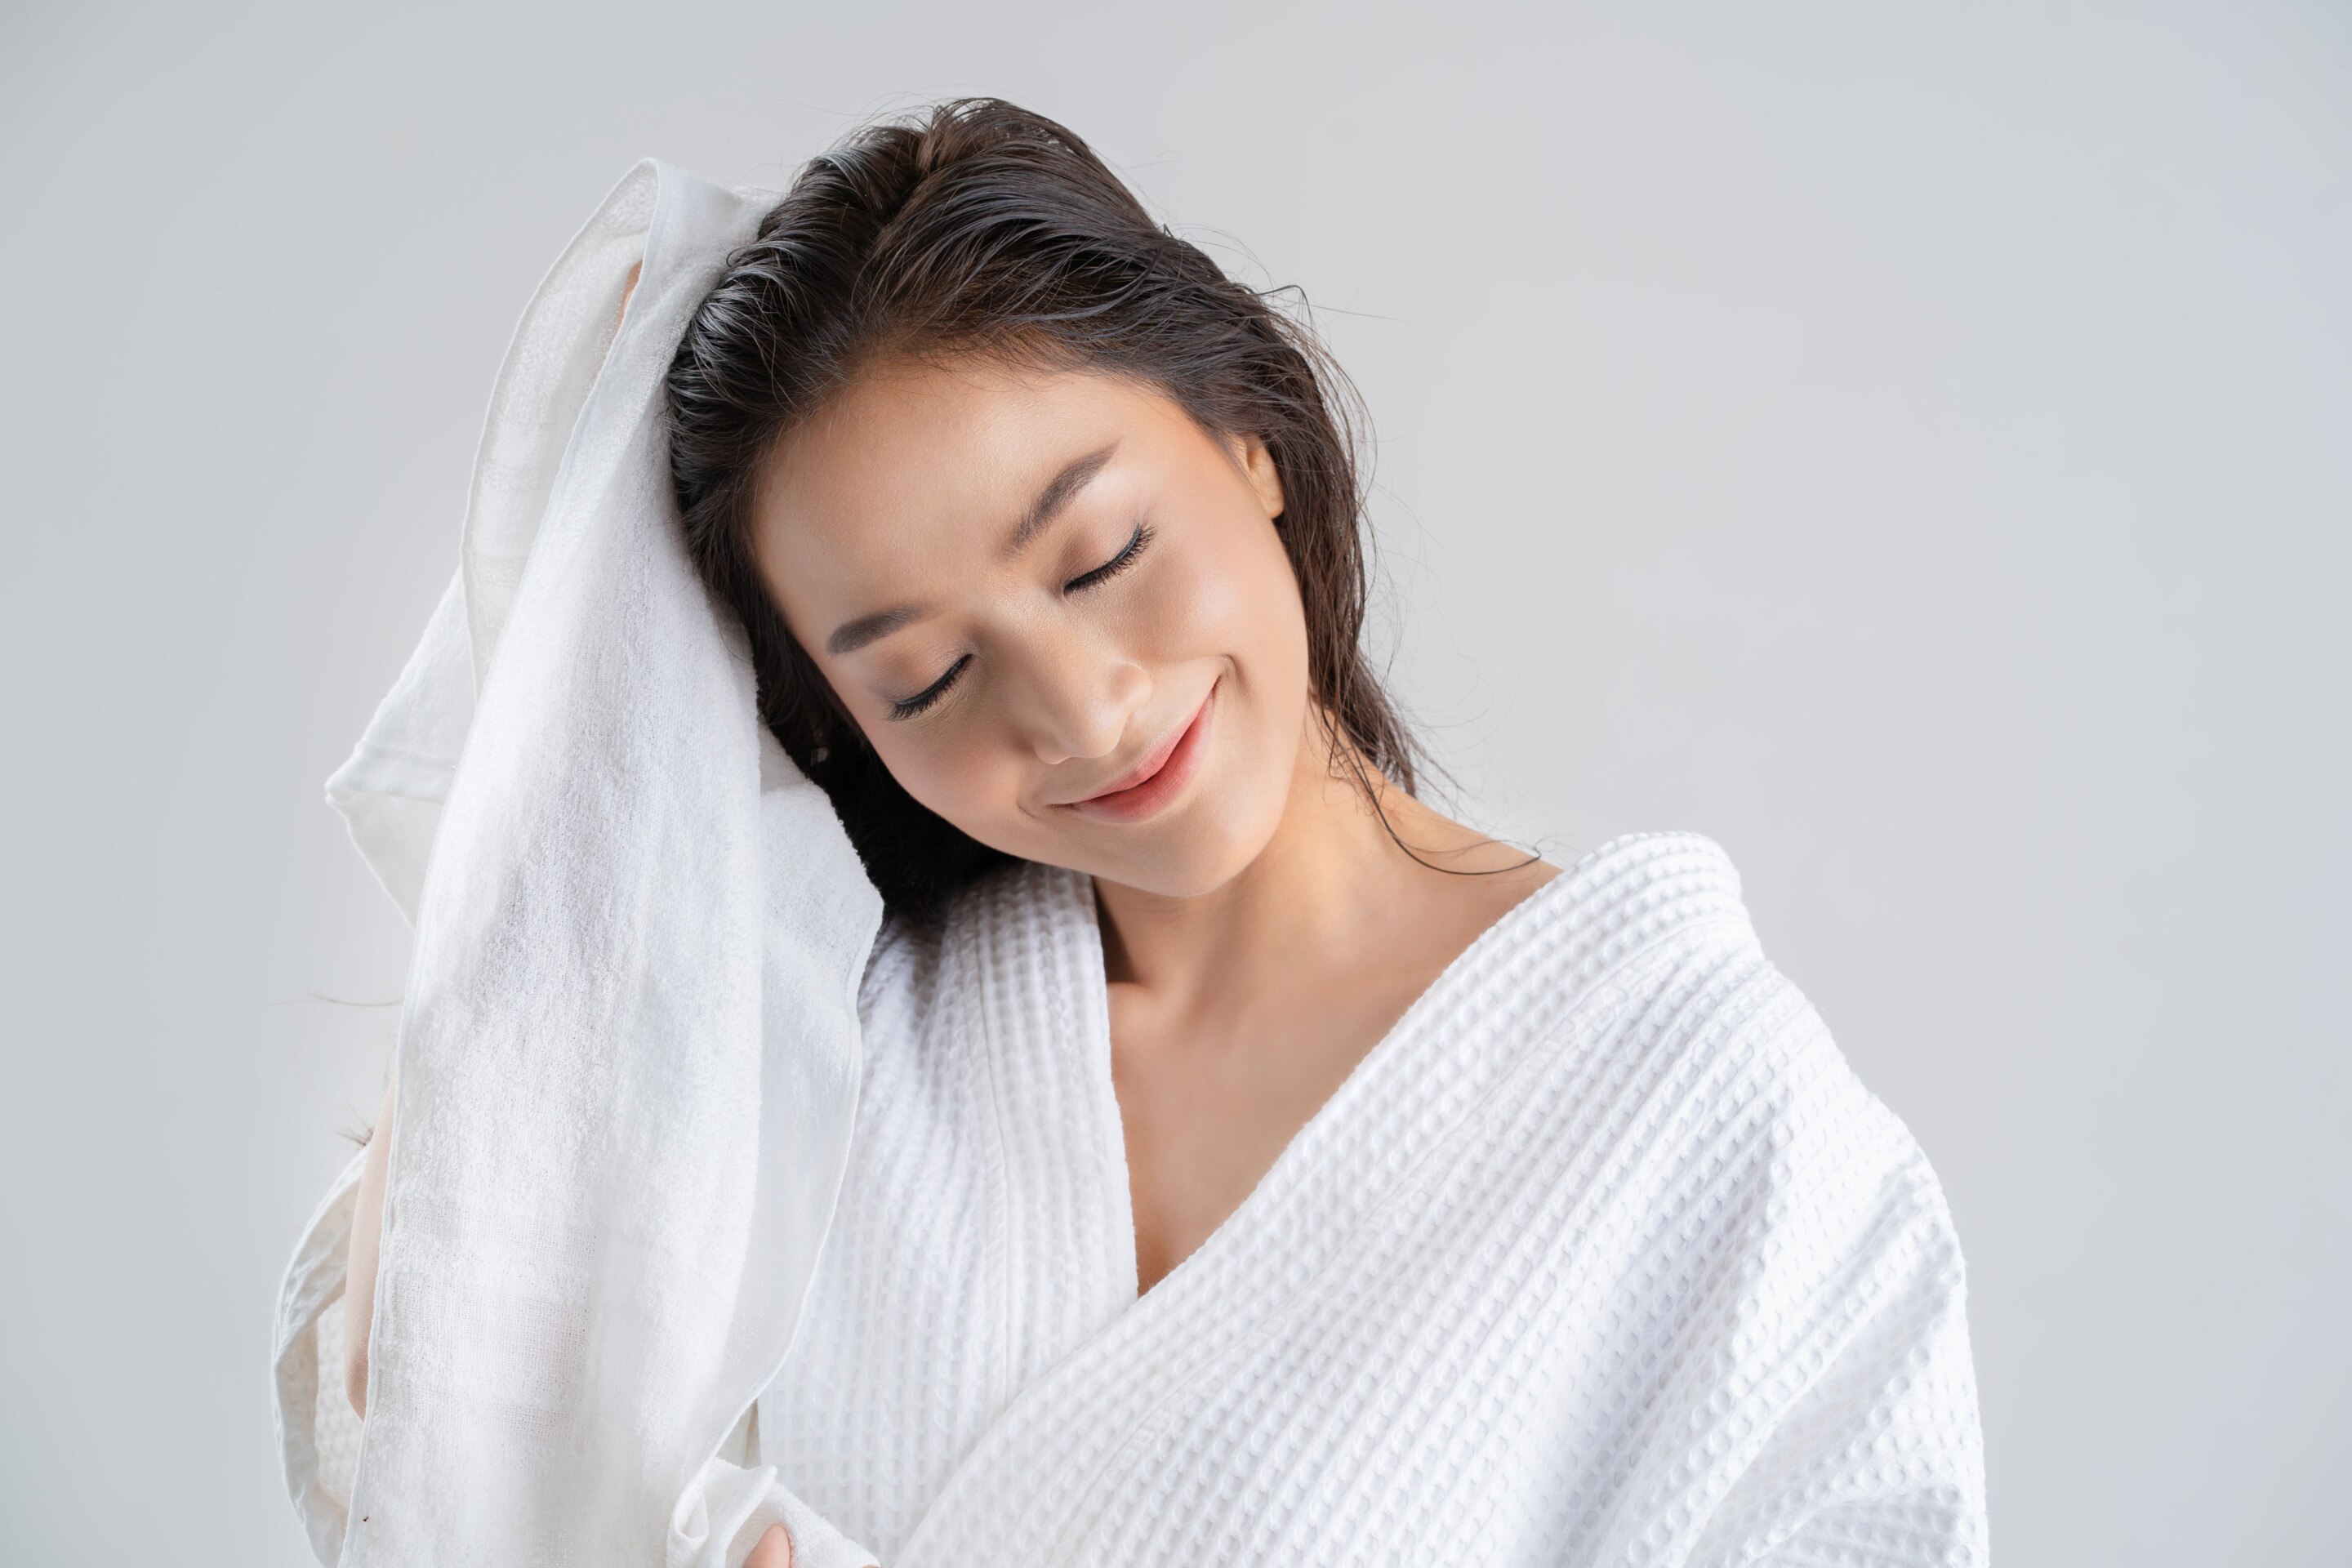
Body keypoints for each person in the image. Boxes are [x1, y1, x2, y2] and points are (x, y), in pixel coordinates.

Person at [281, 100, 1988, 1568]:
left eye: (1099, 555)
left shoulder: (1706, 1114)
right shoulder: (822, 1050)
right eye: (933, 676)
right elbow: (437, 1421)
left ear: (1246, 432)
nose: (1084, 714)